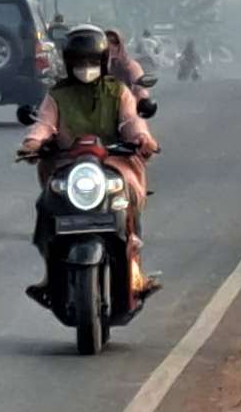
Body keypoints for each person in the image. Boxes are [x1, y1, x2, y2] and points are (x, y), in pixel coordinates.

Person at [18, 25, 161, 303]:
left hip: (114, 162)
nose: (86, 67)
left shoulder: (117, 91)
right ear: (69, 63)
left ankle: (136, 273)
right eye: (79, 62)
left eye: (92, 61)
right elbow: (44, 124)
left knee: (128, 203)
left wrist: (143, 138)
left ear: (103, 61)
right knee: (45, 206)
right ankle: (50, 276)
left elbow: (131, 121)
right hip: (67, 166)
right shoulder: (57, 95)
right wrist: (32, 143)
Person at [105, 28, 150, 99]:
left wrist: (142, 96)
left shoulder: (131, 66)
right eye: (107, 42)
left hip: (127, 104)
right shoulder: (97, 66)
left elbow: (141, 88)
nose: (110, 45)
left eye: (114, 42)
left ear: (121, 44)